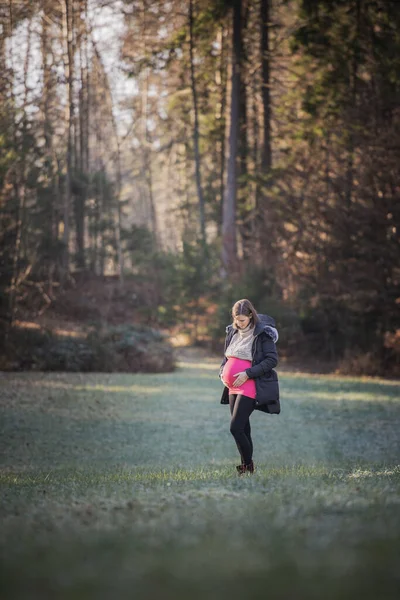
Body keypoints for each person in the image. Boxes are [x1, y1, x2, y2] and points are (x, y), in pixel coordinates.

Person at [219, 298, 280, 475]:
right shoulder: (232, 331)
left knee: (235, 428)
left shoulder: (262, 334)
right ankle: (247, 468)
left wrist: (248, 373)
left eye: (242, 320)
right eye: (236, 319)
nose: (239, 323)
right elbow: (226, 358)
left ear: (251, 316)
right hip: (232, 387)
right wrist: (222, 372)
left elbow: (272, 360)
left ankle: (247, 466)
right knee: (243, 428)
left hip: (250, 384)